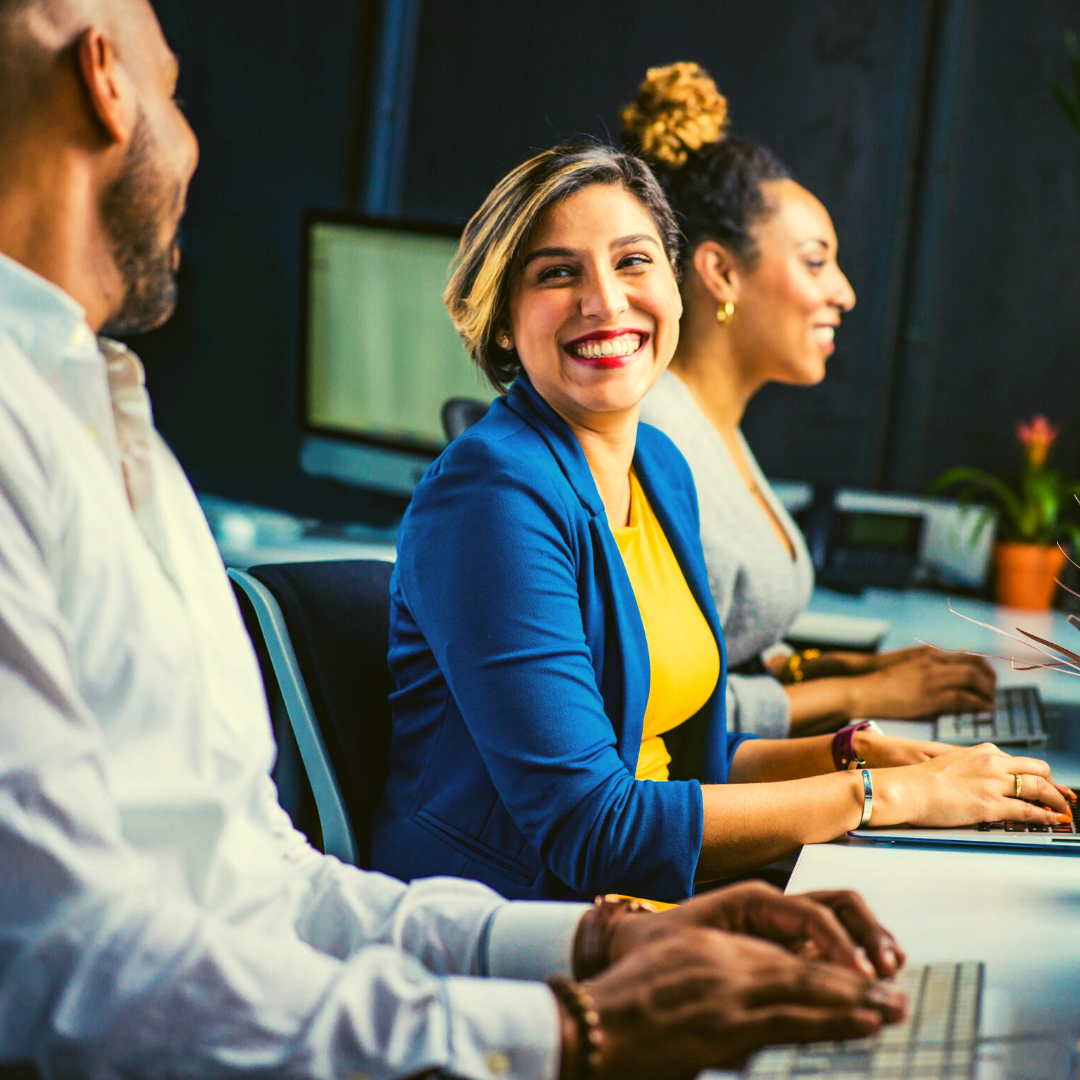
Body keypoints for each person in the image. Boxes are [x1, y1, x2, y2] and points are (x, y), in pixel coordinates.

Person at [0, 1, 921, 1076]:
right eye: (176, 92)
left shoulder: (107, 415)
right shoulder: (31, 429)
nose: (194, 142)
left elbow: (266, 886)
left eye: (633, 262)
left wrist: (607, 944)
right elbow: (60, 969)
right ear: (107, 81)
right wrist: (578, 1025)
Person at [372, 140, 1072, 908]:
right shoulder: (490, 495)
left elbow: (685, 761)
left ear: (675, 286)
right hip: (520, 925)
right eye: (557, 273)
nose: (605, 300)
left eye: (634, 262)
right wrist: (883, 794)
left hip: (652, 899)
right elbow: (591, 826)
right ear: (503, 322)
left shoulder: (661, 467)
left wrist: (857, 754)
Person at [625, 63, 998, 739]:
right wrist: (865, 694)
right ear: (721, 271)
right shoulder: (657, 442)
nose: (845, 293)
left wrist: (853, 670)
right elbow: (665, 715)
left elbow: (729, 652)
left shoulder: (714, 428)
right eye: (816, 261)